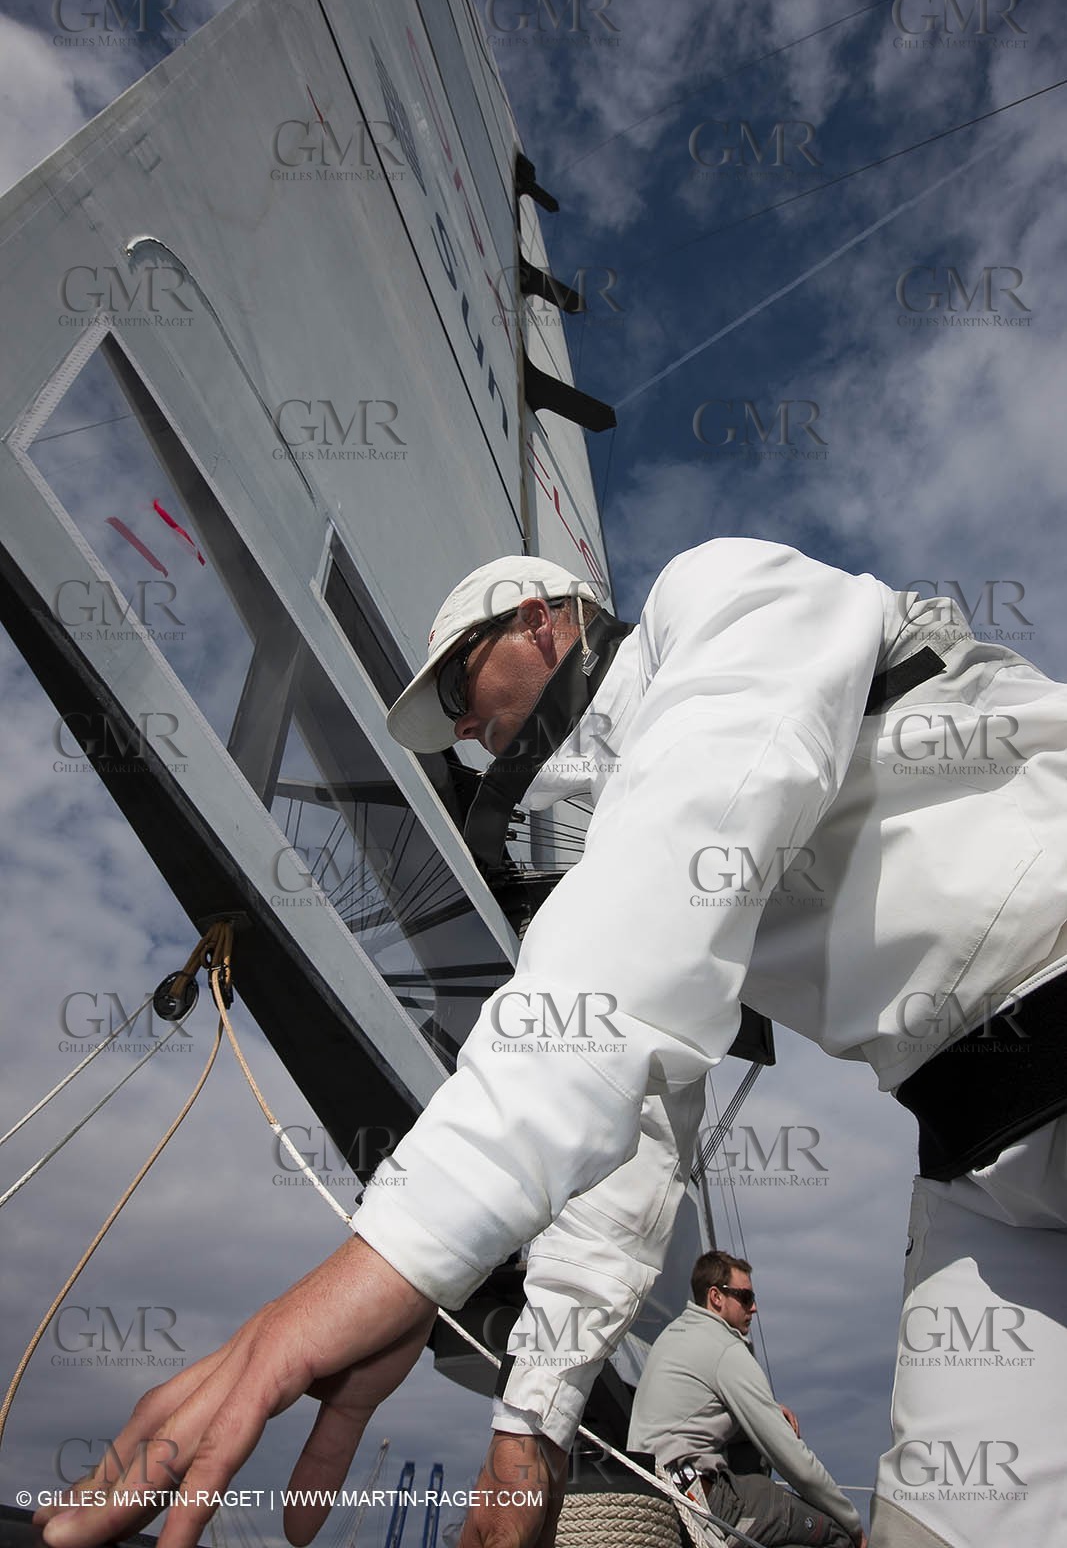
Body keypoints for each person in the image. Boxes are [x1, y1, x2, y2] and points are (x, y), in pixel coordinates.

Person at [35, 540, 1067, 1548]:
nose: (460, 728)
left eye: (458, 683)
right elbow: (634, 1141)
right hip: (987, 1163)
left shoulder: (717, 594)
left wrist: (397, 1253)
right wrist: (530, 1419)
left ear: (541, 620)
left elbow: (688, 842)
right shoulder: (607, 865)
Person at [627, 1250, 864, 1547]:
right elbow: (790, 1457)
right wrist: (853, 1523)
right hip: (696, 1497)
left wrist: (769, 1410)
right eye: (746, 1297)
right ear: (716, 1297)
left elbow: (693, 1413)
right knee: (832, 1533)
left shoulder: (673, 1335)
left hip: (649, 1497)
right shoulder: (724, 1347)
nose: (754, 1308)